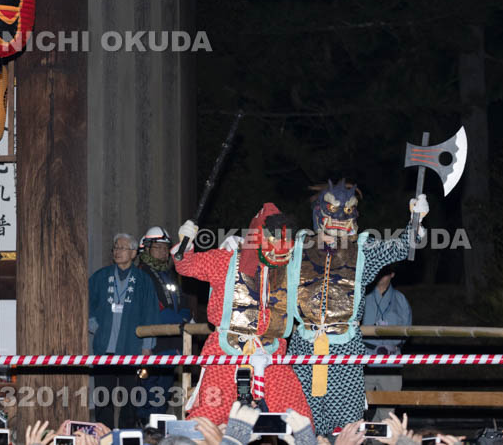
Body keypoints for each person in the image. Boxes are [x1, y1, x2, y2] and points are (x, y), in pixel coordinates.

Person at [285, 179, 428, 436]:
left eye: (348, 211)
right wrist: (238, 253)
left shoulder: (363, 251)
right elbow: (265, 252)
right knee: (302, 421)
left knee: (347, 425)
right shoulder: (297, 248)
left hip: (345, 347)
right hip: (305, 345)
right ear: (319, 213)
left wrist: (416, 221)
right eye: (333, 210)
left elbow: (403, 247)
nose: (340, 218)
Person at [173, 205, 312, 426]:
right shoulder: (226, 261)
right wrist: (185, 243)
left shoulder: (290, 268)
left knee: (298, 418)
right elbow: (187, 266)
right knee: (207, 419)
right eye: (273, 242)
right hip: (226, 354)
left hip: (271, 355)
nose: (279, 250)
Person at [88, 233, 160, 427]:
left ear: (134, 252)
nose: (117, 252)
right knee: (103, 397)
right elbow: (85, 303)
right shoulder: (100, 277)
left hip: (132, 347)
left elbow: (151, 314)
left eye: (122, 248)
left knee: (131, 397)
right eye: (115, 248)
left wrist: (147, 346)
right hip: (105, 347)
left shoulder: (143, 281)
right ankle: (103, 435)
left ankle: (127, 434)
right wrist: (95, 326)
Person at [136, 227, 192, 421]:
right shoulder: (141, 275)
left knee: (163, 392)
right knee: (148, 392)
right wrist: (181, 321)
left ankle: (157, 433)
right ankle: (145, 431)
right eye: (157, 247)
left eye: (164, 247)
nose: (161, 251)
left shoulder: (170, 274)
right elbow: (154, 310)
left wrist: (184, 317)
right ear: (147, 248)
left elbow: (184, 304)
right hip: (151, 344)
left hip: (172, 343)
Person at [362, 264, 411, 421]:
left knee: (388, 412)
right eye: (378, 271)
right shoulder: (362, 296)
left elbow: (407, 329)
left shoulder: (400, 299)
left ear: (392, 274)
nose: (381, 275)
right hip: (365, 359)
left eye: (385, 272)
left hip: (391, 360)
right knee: (355, 408)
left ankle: (376, 441)